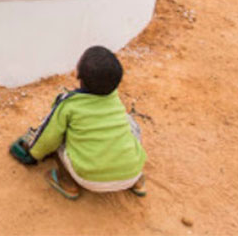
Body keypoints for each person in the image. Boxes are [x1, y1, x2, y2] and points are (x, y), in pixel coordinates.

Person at [9, 46, 147, 200]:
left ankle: (67, 182)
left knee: (60, 137)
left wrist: (33, 153)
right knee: (130, 125)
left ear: (78, 76)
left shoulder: (69, 104)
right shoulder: (115, 100)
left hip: (89, 178)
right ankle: (138, 182)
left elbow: (48, 138)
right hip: (132, 173)